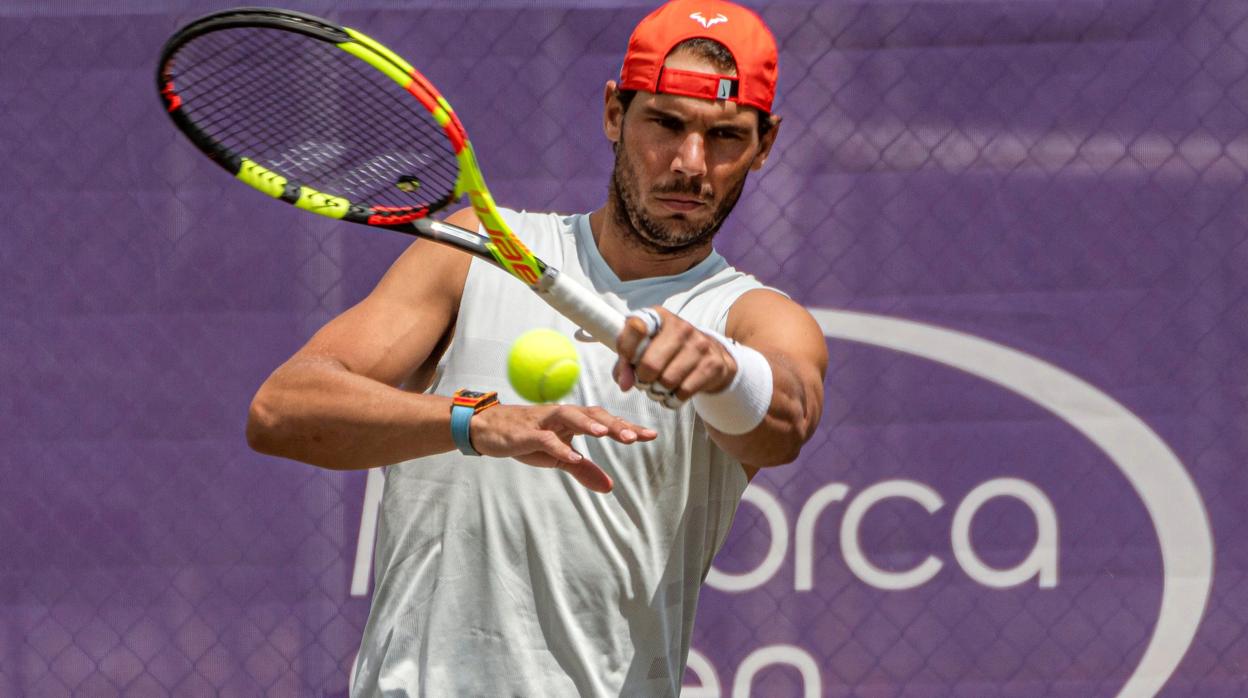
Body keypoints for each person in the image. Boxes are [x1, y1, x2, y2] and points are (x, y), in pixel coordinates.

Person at [246, 0, 828, 694]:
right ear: (614, 113)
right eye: (665, 124)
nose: (690, 164)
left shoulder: (753, 317)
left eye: (726, 137)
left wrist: (725, 373)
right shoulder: (478, 252)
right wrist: (474, 422)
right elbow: (282, 410)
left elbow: (782, 423)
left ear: (765, 145)